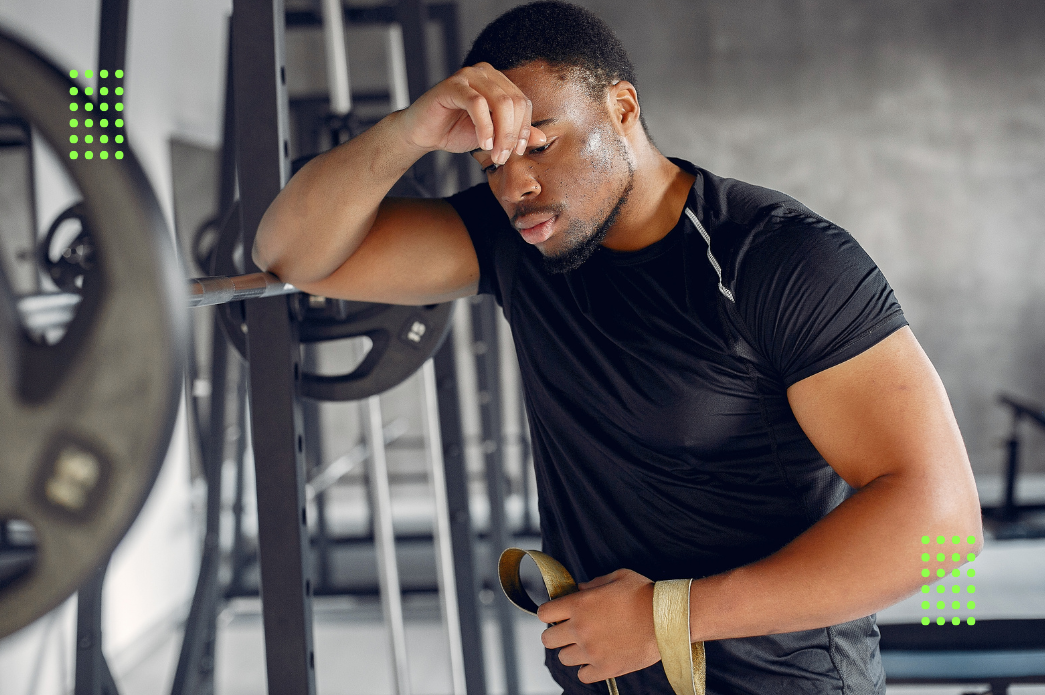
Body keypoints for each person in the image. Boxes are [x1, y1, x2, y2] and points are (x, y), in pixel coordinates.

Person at [253, 2, 983, 692]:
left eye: (539, 143)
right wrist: (408, 130)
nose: (516, 184)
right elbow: (290, 253)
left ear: (622, 109)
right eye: (489, 162)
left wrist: (668, 617)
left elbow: (940, 523)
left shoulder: (774, 260)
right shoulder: (514, 240)